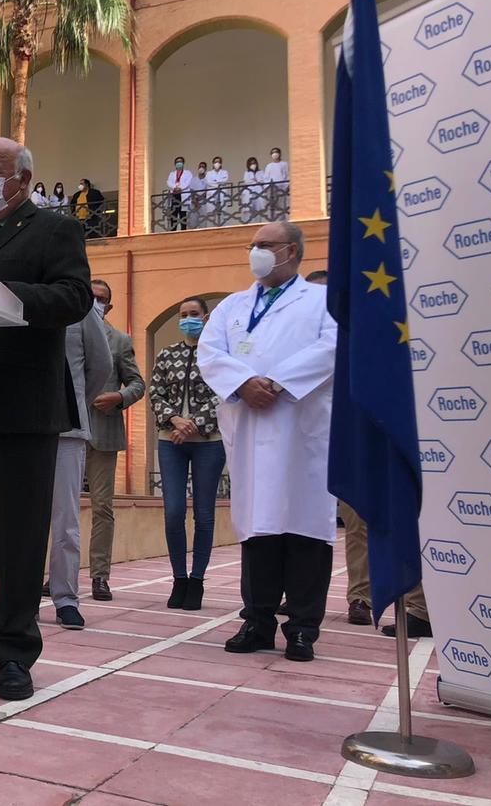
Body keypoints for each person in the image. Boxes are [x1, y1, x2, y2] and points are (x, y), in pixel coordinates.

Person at [0, 137, 92, 700]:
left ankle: (12, 652)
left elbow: (73, 297)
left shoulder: (54, 230)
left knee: (19, 542)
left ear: (23, 180)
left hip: (22, 410)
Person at [197, 221, 336, 662]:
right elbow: (209, 352)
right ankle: (257, 621)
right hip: (251, 427)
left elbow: (333, 347)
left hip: (301, 428)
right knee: (258, 529)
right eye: (253, 244)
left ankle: (302, 628)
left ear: (292, 251)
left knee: (306, 529)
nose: (255, 251)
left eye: (265, 245)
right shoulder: (232, 306)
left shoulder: (322, 300)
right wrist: (243, 383)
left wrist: (274, 383)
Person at [302, 268, 430, 637]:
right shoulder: (307, 339)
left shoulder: (364, 327)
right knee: (354, 522)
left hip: (379, 428)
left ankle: (417, 605)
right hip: (329, 438)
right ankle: (360, 597)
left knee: (401, 515)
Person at [149, 296, 224, 611]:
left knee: (204, 514)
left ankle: (197, 581)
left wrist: (194, 424)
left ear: (206, 317)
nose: (188, 318)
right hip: (171, 440)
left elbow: (225, 392)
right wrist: (176, 420)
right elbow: (155, 390)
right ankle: (178, 577)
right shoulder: (167, 354)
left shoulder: (217, 354)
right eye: (183, 314)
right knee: (174, 511)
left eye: (194, 314)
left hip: (208, 441)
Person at [46, 307, 111, 630]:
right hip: (19, 428)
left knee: (66, 519)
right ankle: (20, 596)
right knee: (17, 520)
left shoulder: (80, 306)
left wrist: (74, 401)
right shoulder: (15, 290)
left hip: (67, 430)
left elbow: (101, 364)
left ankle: (65, 598)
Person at [85, 280, 145, 601]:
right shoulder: (64, 333)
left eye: (102, 299)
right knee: (57, 508)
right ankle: (57, 574)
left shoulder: (119, 340)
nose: (96, 302)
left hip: (103, 433)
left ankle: (99, 576)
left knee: (102, 508)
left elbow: (138, 383)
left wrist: (119, 397)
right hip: (66, 431)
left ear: (110, 306)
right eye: (91, 296)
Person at [165, 157, 193, 231]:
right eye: (177, 162)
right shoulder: (172, 174)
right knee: (174, 213)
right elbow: (169, 182)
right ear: (175, 164)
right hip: (175, 195)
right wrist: (175, 187)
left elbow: (188, 182)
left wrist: (180, 188)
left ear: (183, 163)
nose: (179, 163)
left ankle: (183, 230)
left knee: (183, 214)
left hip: (183, 195)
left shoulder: (188, 173)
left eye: (180, 161)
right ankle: (173, 230)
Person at [265, 146, 290, 213]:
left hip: (281, 187)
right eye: (273, 153)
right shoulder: (269, 166)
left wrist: (287, 186)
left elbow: (287, 175)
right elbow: (266, 177)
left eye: (276, 152)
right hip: (271, 188)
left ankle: (281, 221)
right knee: (272, 207)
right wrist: (267, 187)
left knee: (281, 206)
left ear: (279, 154)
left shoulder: (284, 164)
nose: (274, 154)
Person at [204, 156, 229, 221]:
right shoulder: (209, 173)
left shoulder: (224, 172)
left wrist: (215, 181)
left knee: (223, 212)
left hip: (222, 192)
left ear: (221, 164)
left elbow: (225, 181)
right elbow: (208, 182)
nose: (217, 163)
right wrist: (218, 183)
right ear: (213, 163)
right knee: (211, 213)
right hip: (211, 192)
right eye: (215, 162)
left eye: (218, 162)